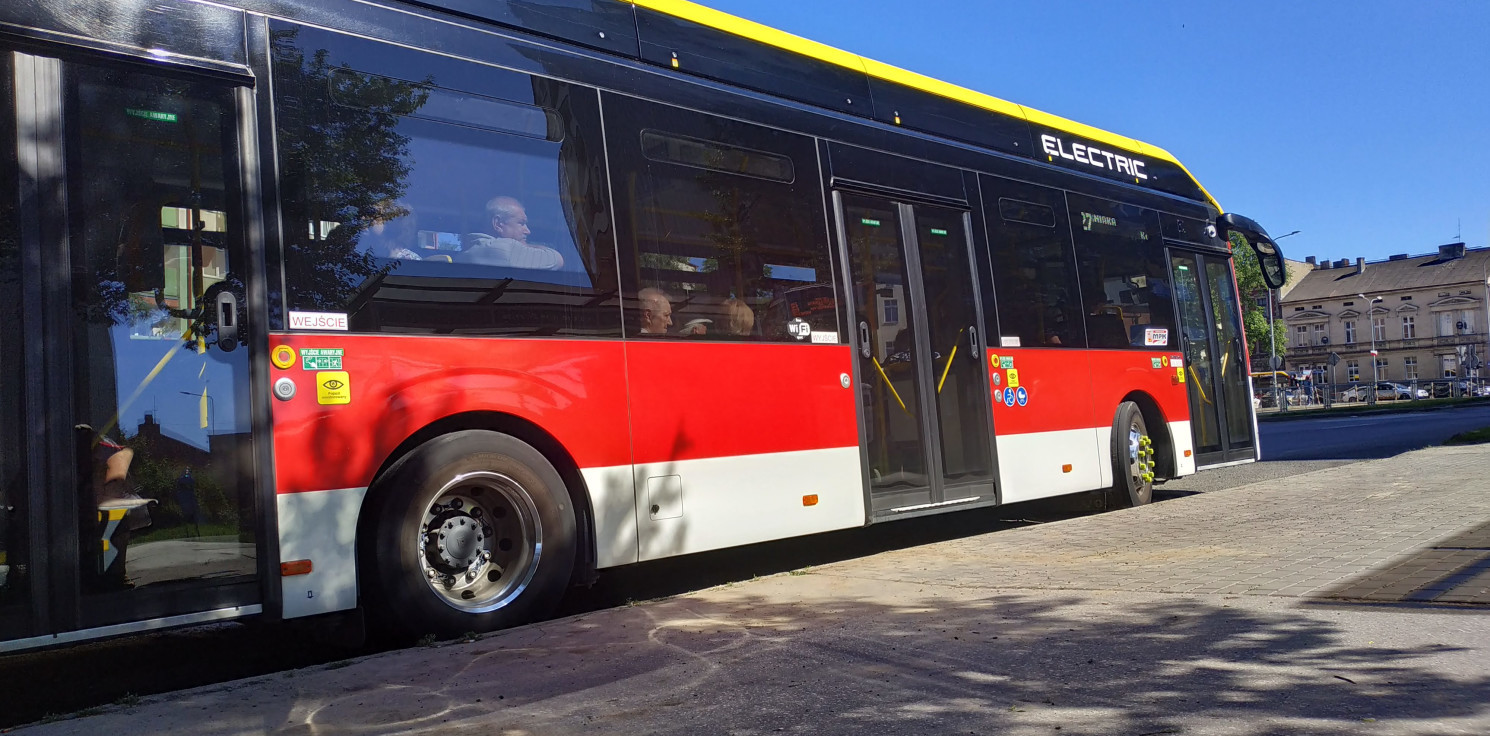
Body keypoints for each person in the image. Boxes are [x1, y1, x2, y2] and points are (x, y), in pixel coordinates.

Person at [457, 196, 564, 270]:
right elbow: (557, 259)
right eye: (521, 223)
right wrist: (526, 246)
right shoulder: (504, 249)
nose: (527, 231)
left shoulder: (469, 250)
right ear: (498, 224)